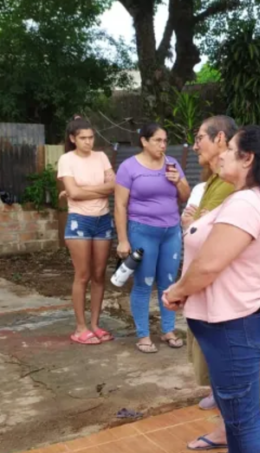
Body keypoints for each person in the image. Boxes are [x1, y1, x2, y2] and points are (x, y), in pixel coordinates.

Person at [164, 126, 260, 453]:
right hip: (228, 322)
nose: (220, 153)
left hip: (232, 324)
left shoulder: (246, 204)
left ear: (248, 158)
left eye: (230, 148)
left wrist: (176, 291)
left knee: (244, 421)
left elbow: (209, 266)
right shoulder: (243, 198)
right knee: (237, 416)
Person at [115, 123, 190, 353]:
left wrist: (178, 180)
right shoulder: (129, 167)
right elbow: (120, 205)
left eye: (165, 140)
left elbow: (186, 196)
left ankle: (168, 330)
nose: (163, 145)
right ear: (144, 141)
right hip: (142, 231)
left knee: (169, 283)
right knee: (143, 283)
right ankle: (143, 334)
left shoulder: (172, 164)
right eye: (157, 140)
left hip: (171, 231)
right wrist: (123, 239)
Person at [182, 116, 238, 415]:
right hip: (205, 281)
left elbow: (203, 229)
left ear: (220, 139)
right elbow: (196, 223)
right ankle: (220, 397)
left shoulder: (231, 185)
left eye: (199, 137)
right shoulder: (214, 179)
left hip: (220, 285)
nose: (194, 145)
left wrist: (193, 223)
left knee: (222, 354)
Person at [57, 116, 116, 346]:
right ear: (73, 138)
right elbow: (74, 192)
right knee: (82, 275)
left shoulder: (101, 157)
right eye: (83, 138)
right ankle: (80, 327)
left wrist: (82, 190)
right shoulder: (66, 159)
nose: (88, 142)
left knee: (99, 275)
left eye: (91, 137)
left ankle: (95, 325)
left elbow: (114, 186)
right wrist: (96, 191)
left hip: (103, 220)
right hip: (79, 221)